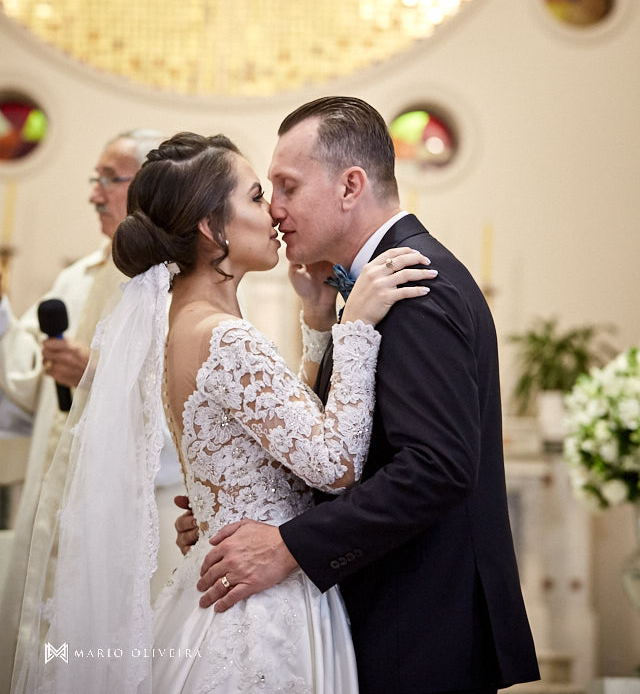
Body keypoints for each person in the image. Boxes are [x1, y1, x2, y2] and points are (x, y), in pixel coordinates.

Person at [12, 131, 435, 694]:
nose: (276, 214)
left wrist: (314, 319)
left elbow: (280, 437)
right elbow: (336, 463)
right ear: (214, 228)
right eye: (258, 197)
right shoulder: (225, 338)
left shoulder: (182, 327)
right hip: (260, 610)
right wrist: (354, 327)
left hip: (225, 580)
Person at [188, 97, 539, 694]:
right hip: (395, 613)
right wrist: (235, 493)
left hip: (420, 625)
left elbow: (436, 468)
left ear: (351, 185)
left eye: (288, 186)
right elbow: (341, 446)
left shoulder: (416, 286)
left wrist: (288, 547)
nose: (275, 208)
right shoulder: (371, 288)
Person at [0, 129, 183, 693]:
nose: (95, 194)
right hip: (49, 500)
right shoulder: (73, 279)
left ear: (149, 186)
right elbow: (21, 378)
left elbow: (192, 413)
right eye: (94, 179)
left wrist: (100, 378)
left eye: (111, 178)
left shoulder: (175, 286)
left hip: (127, 511)